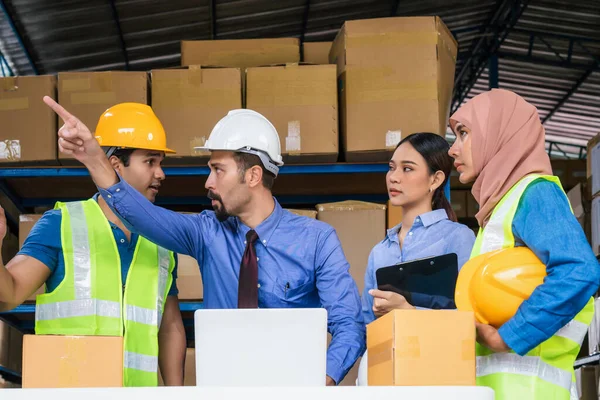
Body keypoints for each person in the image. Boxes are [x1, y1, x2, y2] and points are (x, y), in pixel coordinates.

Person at [44, 100, 365, 386]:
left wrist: (318, 384)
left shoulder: (317, 241)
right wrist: (96, 160)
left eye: (217, 170)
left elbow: (349, 325)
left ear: (253, 176)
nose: (208, 183)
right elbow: (141, 216)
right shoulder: (206, 233)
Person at [0, 102, 186, 387]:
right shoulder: (61, 224)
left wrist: (176, 394)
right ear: (115, 166)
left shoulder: (161, 241)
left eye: (160, 163)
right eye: (150, 161)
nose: (161, 174)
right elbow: (10, 292)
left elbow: (170, 327)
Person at [448, 88, 600, 400]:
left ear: (498, 134)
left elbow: (579, 271)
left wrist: (509, 336)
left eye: (464, 133)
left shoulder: (534, 194)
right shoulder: (497, 211)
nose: (453, 149)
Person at [356, 132, 476, 386]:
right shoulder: (380, 251)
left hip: (440, 376)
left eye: (407, 169)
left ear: (436, 179)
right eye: (391, 168)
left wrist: (407, 311)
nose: (394, 177)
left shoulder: (458, 239)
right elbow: (367, 327)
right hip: (386, 378)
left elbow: (469, 320)